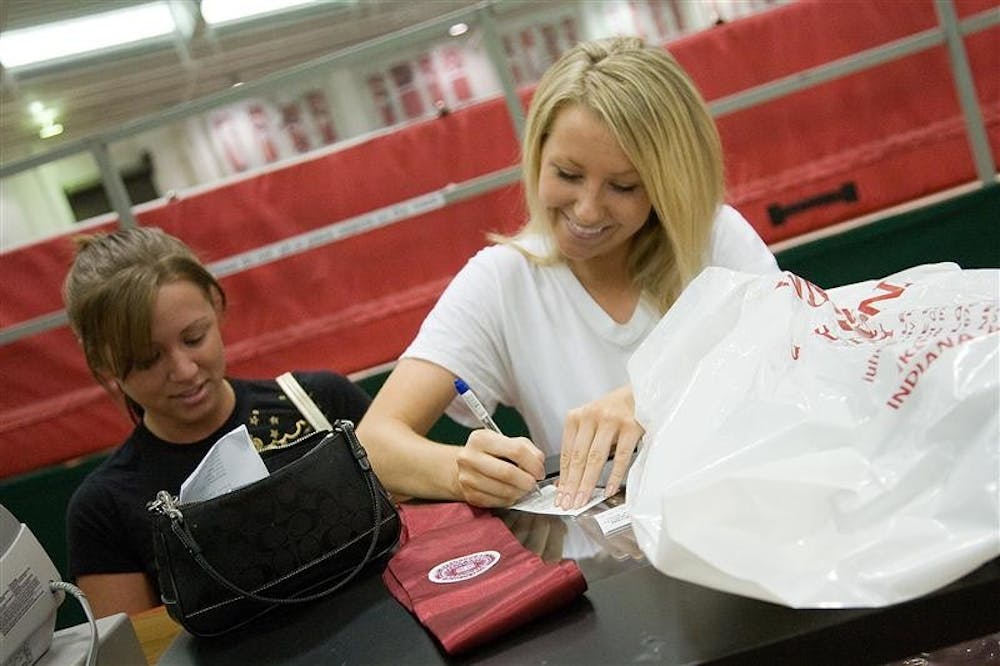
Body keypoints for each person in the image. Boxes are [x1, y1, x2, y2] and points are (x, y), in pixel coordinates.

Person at [356, 36, 779, 512]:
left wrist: (650, 396)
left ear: (668, 183)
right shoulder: (502, 282)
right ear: (536, 153)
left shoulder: (714, 238)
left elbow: (797, 359)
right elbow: (374, 442)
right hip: (599, 572)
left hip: (746, 528)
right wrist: (462, 471)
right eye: (568, 174)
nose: (587, 209)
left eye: (623, 186)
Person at [63, 226, 371, 618]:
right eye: (147, 359)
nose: (184, 370)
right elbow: (139, 652)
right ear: (104, 364)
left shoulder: (320, 403)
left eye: (194, 338)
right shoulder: (103, 508)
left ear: (216, 305)